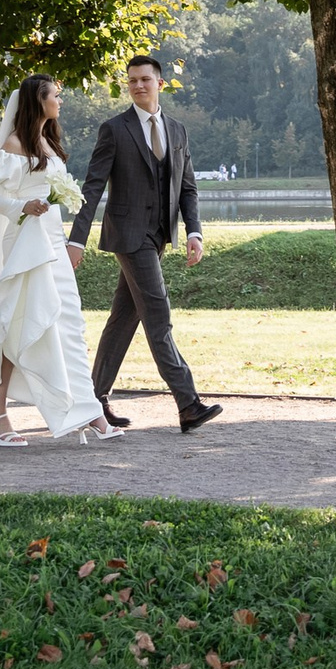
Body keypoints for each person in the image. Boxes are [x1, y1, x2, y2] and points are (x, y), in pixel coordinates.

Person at [0, 75, 119, 447]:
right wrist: (24, 206)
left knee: (67, 323)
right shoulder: (14, 146)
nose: (60, 102)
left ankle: (88, 409)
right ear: (39, 100)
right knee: (18, 324)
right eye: (56, 96)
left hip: (52, 241)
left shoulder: (48, 143)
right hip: (25, 244)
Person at [67, 54, 223, 434]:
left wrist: (194, 232)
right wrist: (76, 239)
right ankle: (188, 404)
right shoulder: (114, 129)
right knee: (159, 317)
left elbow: (188, 187)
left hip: (158, 237)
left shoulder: (177, 129)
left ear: (160, 83)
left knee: (123, 319)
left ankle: (93, 400)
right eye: (132, 80)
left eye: (145, 79)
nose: (138, 85)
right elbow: (92, 186)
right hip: (128, 236)